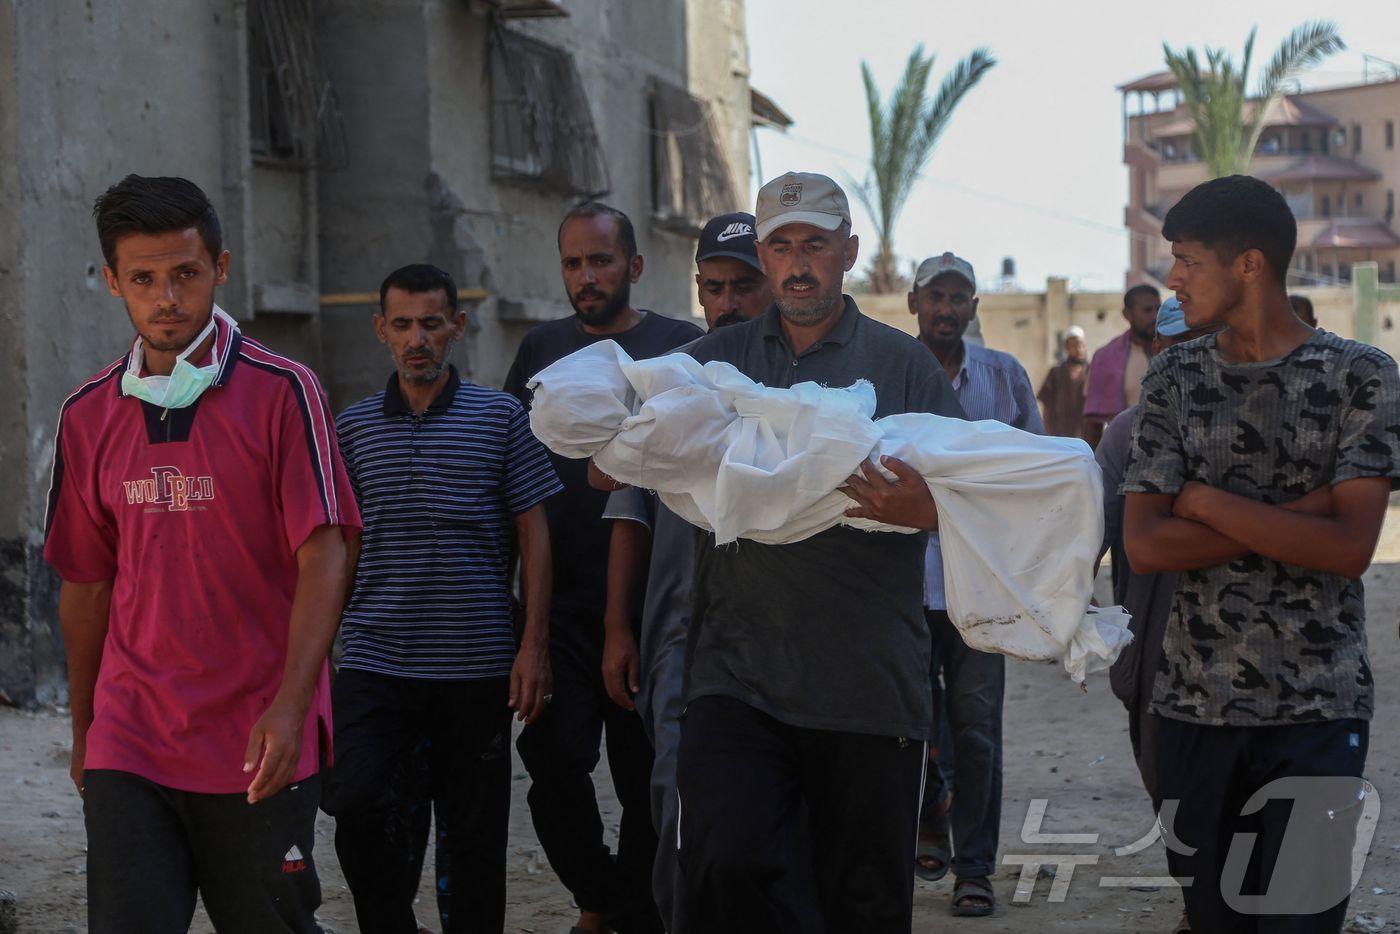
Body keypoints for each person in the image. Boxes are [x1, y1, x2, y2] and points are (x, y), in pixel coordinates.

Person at [44, 174, 360, 932]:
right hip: (132, 737)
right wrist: (87, 727)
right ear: (113, 280)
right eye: (144, 279)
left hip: (256, 737)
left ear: (219, 269)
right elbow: (86, 586)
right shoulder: (87, 414)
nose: (166, 298)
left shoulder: (285, 391)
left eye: (185, 274)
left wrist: (291, 707)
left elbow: (326, 553)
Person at [673, 172, 965, 932]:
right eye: (782, 246)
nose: (798, 264)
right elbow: (620, 457)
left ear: (849, 253)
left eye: (815, 245)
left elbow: (978, 500)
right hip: (735, 679)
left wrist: (921, 508)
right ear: (763, 257)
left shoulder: (904, 366)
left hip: (867, 690)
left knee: (861, 905)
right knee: (724, 867)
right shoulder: (713, 362)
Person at [1123, 175, 1399, 932]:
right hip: (1191, 713)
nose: (1171, 279)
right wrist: (1301, 512)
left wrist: (1206, 501)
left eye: (1186, 260)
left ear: (1248, 264)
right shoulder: (1175, 378)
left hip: (1316, 713)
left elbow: (1347, 549)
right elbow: (1145, 545)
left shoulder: (1359, 376)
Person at [323, 263, 561, 933]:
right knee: (360, 806)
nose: (417, 338)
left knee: (474, 844)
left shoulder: (501, 417)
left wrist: (532, 646)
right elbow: (342, 547)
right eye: (402, 325)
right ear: (381, 331)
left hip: (477, 667)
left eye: (431, 323)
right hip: (375, 664)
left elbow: (535, 533)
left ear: (457, 327)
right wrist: (319, 652)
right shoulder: (355, 428)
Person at [504, 203, 702, 934]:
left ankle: (633, 910)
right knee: (552, 761)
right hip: (557, 606)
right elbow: (510, 466)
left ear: (635, 267)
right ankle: (604, 898)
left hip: (653, 609)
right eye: (573, 263)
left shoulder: (678, 346)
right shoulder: (540, 349)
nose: (587, 277)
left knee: (648, 771)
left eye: (601, 261)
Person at [598, 212, 773, 933]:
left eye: (742, 286)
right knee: (677, 799)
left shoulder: (804, 387)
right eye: (712, 286)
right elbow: (628, 513)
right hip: (681, 635)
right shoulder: (669, 382)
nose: (726, 302)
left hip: (779, 636)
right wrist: (617, 627)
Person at [907, 251, 1042, 916]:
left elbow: (1035, 476)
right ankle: (931, 811)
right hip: (901, 585)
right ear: (914, 303)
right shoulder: (888, 373)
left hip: (981, 586)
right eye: (936, 296)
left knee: (978, 726)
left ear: (974, 308)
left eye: (959, 297)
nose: (947, 309)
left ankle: (974, 869)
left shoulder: (1006, 377)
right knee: (910, 721)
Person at [1098, 297, 1223, 813]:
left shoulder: (1245, 424)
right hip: (1155, 644)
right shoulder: (1128, 432)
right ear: (1158, 348)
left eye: (1204, 342)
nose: (1193, 357)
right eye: (1180, 344)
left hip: (1236, 645)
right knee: (1171, 795)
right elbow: (1091, 532)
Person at [1082, 283, 1160, 446]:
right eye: (1147, 310)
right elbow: (1093, 423)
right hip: (1126, 452)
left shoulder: (1176, 350)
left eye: (1157, 309)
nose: (1155, 316)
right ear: (1127, 314)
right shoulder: (1106, 358)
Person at [1038, 325, 1088, 437]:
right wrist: (1048, 432)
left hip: (1086, 435)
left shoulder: (1092, 371)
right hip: (1059, 435)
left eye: (1082, 345)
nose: (1079, 349)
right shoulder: (1055, 373)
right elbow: (1047, 406)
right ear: (1067, 347)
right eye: (1075, 345)